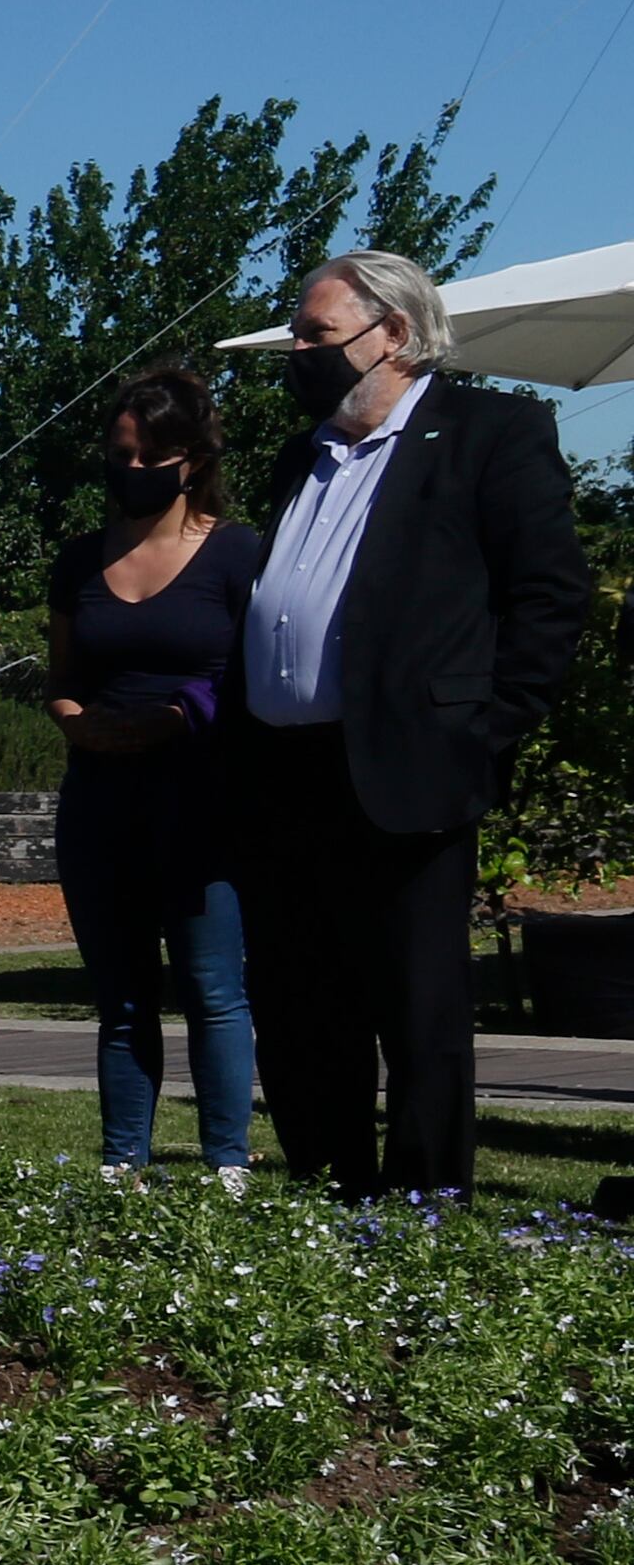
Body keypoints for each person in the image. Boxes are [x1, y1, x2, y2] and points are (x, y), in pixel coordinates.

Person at [232, 248, 593, 1197]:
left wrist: (482, 730)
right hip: (286, 770)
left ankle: (424, 1205)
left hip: (409, 766)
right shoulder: (303, 455)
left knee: (417, 1002)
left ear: (393, 333)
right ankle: (326, 1193)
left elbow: (550, 598)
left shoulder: (489, 433)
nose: (300, 352)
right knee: (300, 997)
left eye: (317, 334)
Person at [44, 367, 262, 1181]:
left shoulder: (237, 554)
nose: (133, 470)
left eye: (151, 456)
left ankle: (226, 1165)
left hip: (200, 803)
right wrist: (78, 721)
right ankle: (121, 1165)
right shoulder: (79, 561)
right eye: (120, 454)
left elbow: (253, 676)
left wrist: (175, 719)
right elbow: (61, 680)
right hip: (100, 803)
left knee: (212, 988)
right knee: (123, 997)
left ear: (194, 460)